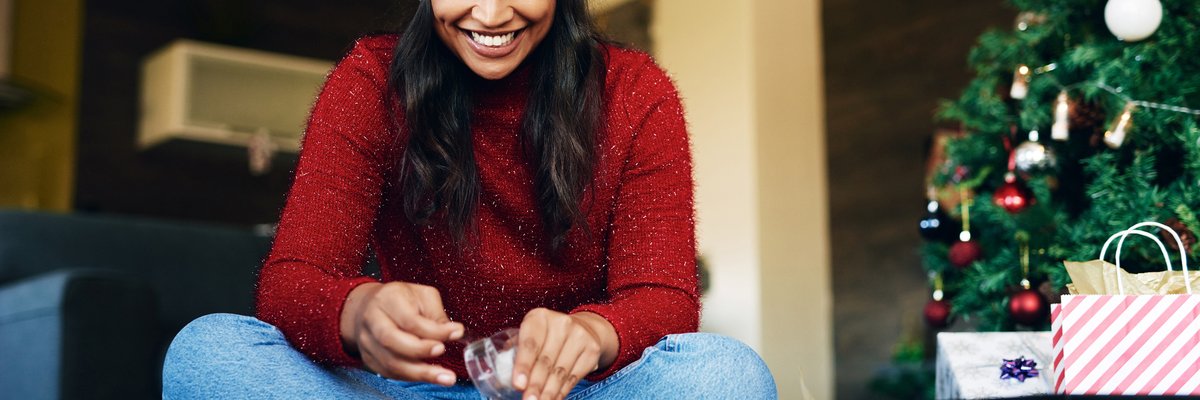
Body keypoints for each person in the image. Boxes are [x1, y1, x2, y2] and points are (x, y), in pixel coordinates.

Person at [162, 0, 777, 398]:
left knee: (728, 376)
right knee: (208, 354)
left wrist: (593, 332)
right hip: (403, 390)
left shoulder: (637, 94)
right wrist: (359, 311)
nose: (489, 12)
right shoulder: (370, 82)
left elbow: (664, 299)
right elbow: (293, 278)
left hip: (578, 392)